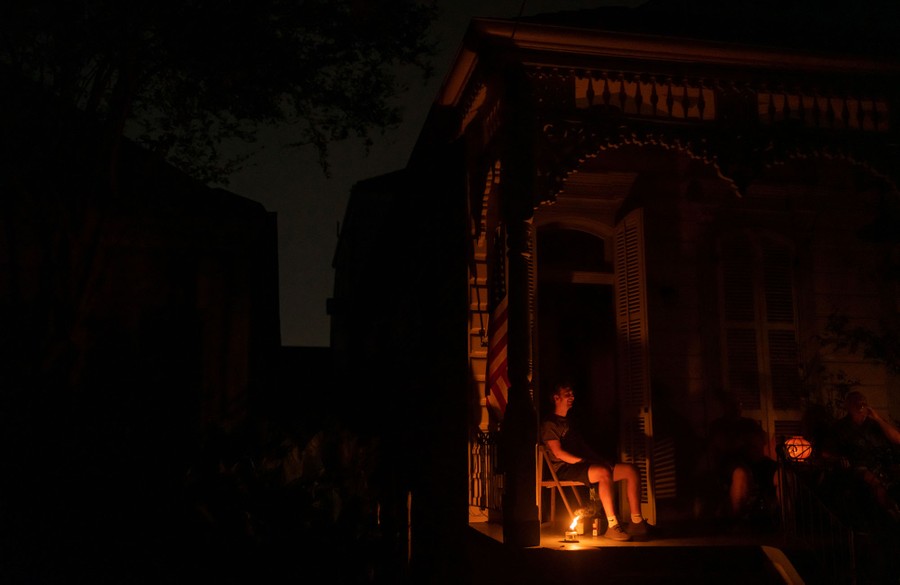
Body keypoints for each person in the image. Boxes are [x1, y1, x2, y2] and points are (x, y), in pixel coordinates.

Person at [540, 382, 650, 541]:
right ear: (556, 398)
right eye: (567, 394)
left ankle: (637, 522)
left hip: (582, 464)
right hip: (564, 468)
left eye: (572, 393)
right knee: (603, 473)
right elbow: (559, 453)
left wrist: (600, 460)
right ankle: (612, 526)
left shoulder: (570, 422)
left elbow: (584, 447)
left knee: (631, 471)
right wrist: (584, 461)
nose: (572, 397)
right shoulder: (550, 423)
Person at [823, 390, 900, 523]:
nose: (861, 406)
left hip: (883, 464)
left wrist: (878, 418)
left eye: (863, 402)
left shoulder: (874, 424)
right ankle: (892, 515)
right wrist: (839, 459)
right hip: (858, 467)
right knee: (877, 485)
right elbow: (826, 452)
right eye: (856, 403)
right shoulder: (841, 428)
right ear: (848, 406)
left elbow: (897, 439)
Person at [706, 395, 779, 525]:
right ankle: (736, 522)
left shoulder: (750, 424)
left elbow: (760, 442)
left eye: (739, 404)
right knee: (741, 474)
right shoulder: (718, 425)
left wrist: (747, 444)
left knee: (781, 474)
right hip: (731, 464)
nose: (737, 408)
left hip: (756, 461)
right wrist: (742, 444)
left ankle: (785, 519)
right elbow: (724, 446)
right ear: (725, 407)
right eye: (733, 405)